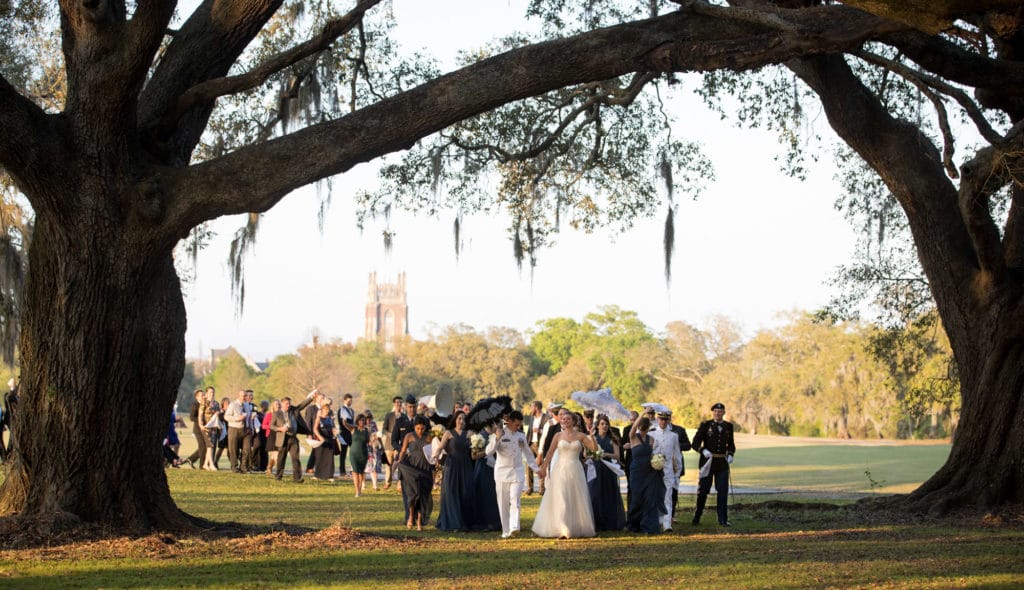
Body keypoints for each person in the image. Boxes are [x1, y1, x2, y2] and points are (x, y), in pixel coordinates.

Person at [532, 408, 597, 538]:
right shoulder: (558, 436)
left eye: (568, 419)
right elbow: (549, 453)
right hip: (560, 469)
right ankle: (562, 528)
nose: (565, 421)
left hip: (575, 469)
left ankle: (574, 525)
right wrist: (543, 468)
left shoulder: (580, 435)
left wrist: (592, 436)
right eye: (563, 419)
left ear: (573, 421)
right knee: (561, 496)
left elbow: (594, 449)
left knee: (574, 497)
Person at [487, 410, 539, 538]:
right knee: (503, 503)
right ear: (509, 421)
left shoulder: (521, 435)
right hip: (502, 473)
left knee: (515, 500)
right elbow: (488, 451)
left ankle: (514, 527)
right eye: (516, 424)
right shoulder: (499, 433)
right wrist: (497, 438)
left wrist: (537, 469)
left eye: (520, 425)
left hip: (517, 472)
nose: (518, 427)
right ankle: (505, 530)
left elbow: (528, 454)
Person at [692, 402, 736, 526]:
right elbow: (695, 443)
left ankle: (722, 518)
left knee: (723, 491)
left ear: (723, 413)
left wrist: (731, 454)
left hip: (722, 463)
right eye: (715, 411)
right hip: (707, 462)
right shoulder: (705, 425)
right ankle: (697, 516)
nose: (718, 413)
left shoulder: (728, 426)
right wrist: (702, 450)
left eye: (720, 411)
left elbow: (731, 444)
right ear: (713, 413)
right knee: (703, 490)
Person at [434, 411, 475, 531]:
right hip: (451, 466)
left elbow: (475, 448)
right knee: (451, 493)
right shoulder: (448, 433)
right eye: (459, 419)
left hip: (465, 466)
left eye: (464, 419)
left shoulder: (470, 434)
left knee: (465, 492)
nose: (461, 421)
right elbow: (440, 447)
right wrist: (436, 455)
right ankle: (453, 523)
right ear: (455, 419)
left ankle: (464, 522)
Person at [625, 412, 666, 534]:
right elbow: (632, 428)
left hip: (649, 471)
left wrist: (658, 461)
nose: (643, 430)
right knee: (637, 498)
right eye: (641, 428)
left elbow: (652, 455)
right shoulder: (633, 437)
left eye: (645, 428)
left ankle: (649, 526)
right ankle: (634, 525)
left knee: (649, 498)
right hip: (636, 472)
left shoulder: (651, 439)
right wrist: (643, 413)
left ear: (648, 428)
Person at [396, 415, 434, 530]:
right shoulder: (409, 436)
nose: (420, 431)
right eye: (418, 428)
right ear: (414, 427)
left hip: (425, 469)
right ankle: (411, 516)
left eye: (422, 429)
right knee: (413, 495)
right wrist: (399, 461)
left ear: (425, 427)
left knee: (422, 496)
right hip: (412, 469)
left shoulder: (430, 437)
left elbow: (435, 452)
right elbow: (403, 451)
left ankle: (419, 521)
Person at [588, 414, 626, 531]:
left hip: (608, 469)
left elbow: (617, 455)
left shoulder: (612, 439)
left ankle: (610, 522)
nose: (604, 426)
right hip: (596, 468)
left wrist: (604, 454)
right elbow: (588, 453)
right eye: (602, 424)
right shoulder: (593, 438)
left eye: (606, 424)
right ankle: (596, 522)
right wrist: (594, 455)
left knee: (609, 494)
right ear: (597, 426)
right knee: (595, 494)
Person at [271, 390, 317, 483]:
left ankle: (297, 478)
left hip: (293, 438)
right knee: (281, 458)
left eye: (289, 403)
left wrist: (311, 397)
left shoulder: (294, 410)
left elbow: (302, 405)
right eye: (287, 403)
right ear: (282, 404)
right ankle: (278, 476)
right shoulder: (277, 414)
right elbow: (271, 426)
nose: (288, 405)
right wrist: (280, 429)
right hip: (283, 438)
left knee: (295, 458)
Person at [649, 410, 682, 531]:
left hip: (668, 470)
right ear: (657, 419)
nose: (663, 422)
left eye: (665, 419)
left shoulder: (674, 436)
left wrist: (677, 473)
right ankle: (656, 520)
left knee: (667, 497)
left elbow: (677, 455)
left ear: (668, 420)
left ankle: (667, 524)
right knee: (654, 496)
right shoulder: (651, 434)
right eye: (661, 419)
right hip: (654, 471)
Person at [470, 424, 502, 532]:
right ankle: (483, 522)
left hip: (498, 468)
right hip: (483, 469)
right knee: (484, 494)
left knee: (496, 495)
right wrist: (488, 451)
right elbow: (474, 455)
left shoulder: (500, 434)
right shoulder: (480, 436)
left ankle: (497, 521)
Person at [666, 411, 692, 520]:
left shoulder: (679, 430)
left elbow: (688, 445)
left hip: (675, 464)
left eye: (667, 418)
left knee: (674, 490)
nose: (665, 420)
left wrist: (676, 445)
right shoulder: (655, 430)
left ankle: (671, 515)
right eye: (662, 418)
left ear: (670, 418)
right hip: (662, 464)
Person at [523, 401, 547, 495]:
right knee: (528, 465)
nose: (530, 410)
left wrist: (540, 430)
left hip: (541, 444)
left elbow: (548, 431)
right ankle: (530, 488)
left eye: (531, 407)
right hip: (531, 444)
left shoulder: (546, 418)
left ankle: (542, 489)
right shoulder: (532, 419)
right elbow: (529, 432)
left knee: (541, 465)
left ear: (536, 408)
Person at [344, 413, 371, 496]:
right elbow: (345, 424)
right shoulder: (353, 429)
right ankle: (357, 491)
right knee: (355, 472)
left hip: (363, 454)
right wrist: (344, 420)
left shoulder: (367, 431)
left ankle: (360, 490)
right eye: (360, 420)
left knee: (361, 473)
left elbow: (368, 442)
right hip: (354, 454)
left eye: (363, 420)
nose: (361, 422)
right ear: (357, 421)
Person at [312, 403, 338, 481]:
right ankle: (317, 475)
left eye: (328, 409)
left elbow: (333, 428)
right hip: (321, 441)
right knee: (320, 457)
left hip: (330, 440)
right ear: (322, 410)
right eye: (325, 409)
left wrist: (335, 432)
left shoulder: (330, 419)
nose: (327, 411)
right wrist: (320, 438)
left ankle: (329, 475)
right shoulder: (318, 418)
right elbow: (315, 429)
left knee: (329, 459)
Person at [381, 396, 403, 489]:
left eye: (400, 402)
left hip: (399, 445)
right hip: (389, 444)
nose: (399, 404)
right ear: (394, 403)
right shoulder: (389, 416)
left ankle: (399, 485)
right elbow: (383, 430)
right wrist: (391, 435)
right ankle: (388, 482)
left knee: (400, 465)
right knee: (389, 465)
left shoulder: (404, 416)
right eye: (397, 402)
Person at [337, 393, 356, 477]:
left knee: (353, 452)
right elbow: (343, 422)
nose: (350, 402)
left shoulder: (351, 410)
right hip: (344, 433)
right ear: (344, 400)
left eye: (351, 401)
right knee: (343, 453)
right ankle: (342, 471)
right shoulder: (342, 409)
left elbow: (352, 421)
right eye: (349, 401)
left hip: (351, 433)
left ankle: (353, 470)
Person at [262, 399, 281, 475]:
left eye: (279, 404)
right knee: (275, 454)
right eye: (276, 404)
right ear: (273, 406)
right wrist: (271, 426)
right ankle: (279, 470)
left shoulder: (282, 415)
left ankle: (269, 467)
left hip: (279, 436)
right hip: (271, 435)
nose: (278, 405)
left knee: (275, 454)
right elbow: (263, 426)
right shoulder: (269, 415)